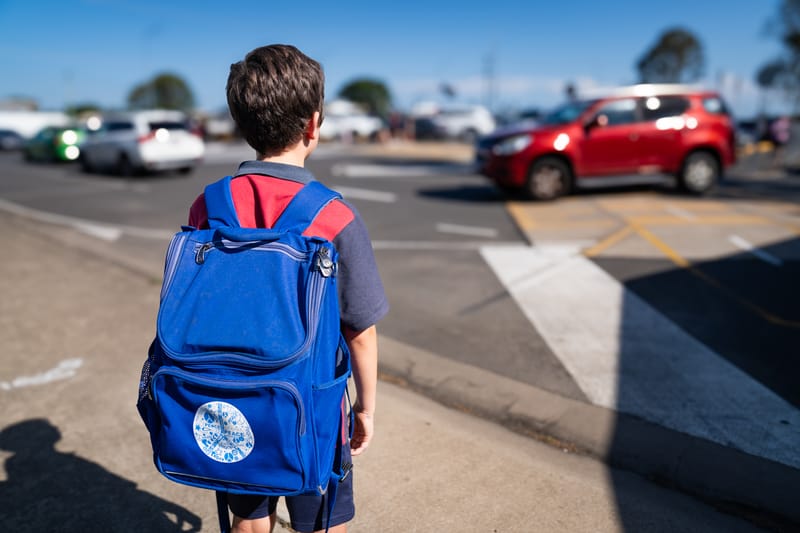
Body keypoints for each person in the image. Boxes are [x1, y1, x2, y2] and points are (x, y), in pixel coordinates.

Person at [186, 44, 389, 533]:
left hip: (229, 399)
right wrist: (366, 408)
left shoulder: (208, 205)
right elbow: (359, 330)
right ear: (313, 124)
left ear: (242, 124)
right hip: (312, 408)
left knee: (249, 520)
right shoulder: (333, 216)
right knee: (321, 521)